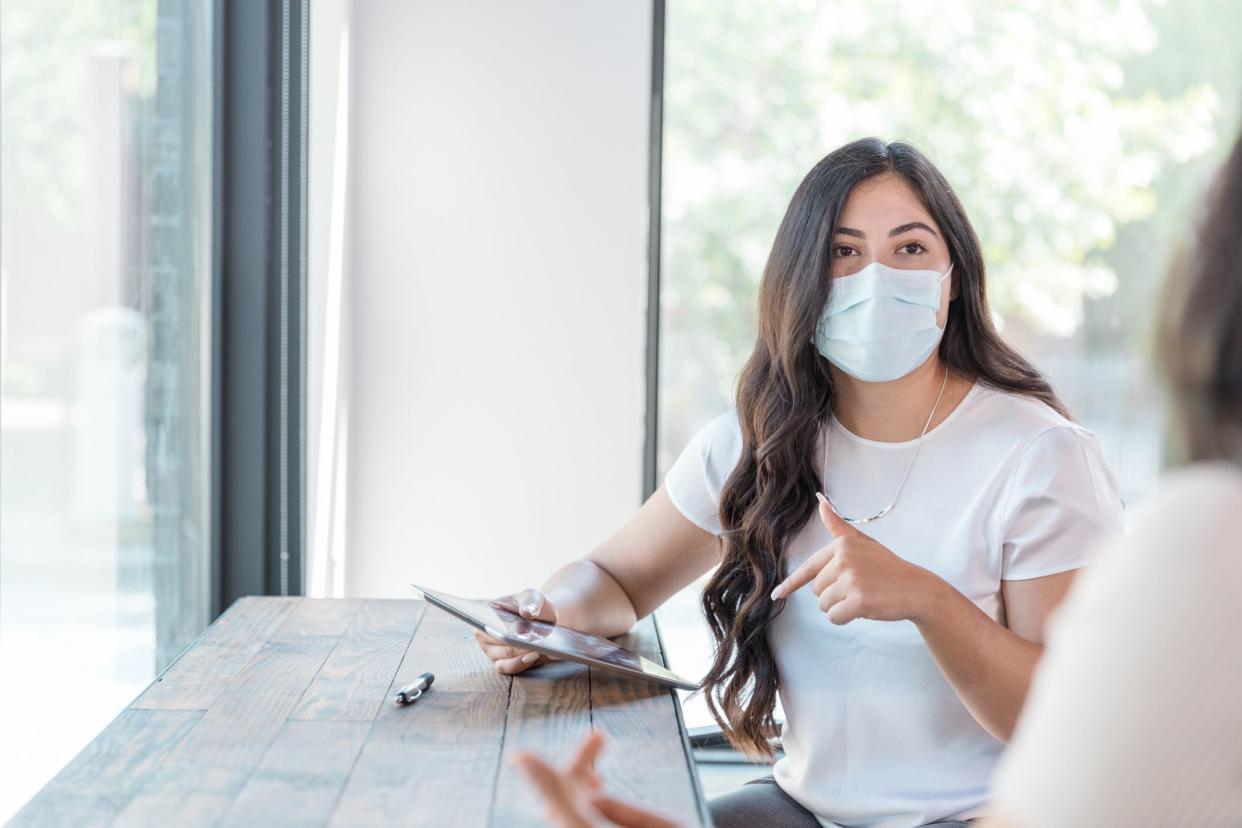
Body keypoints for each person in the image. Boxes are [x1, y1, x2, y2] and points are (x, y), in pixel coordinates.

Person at [512, 129, 1242, 828]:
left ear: (953, 279)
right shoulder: (755, 440)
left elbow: (1068, 725)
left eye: (910, 248)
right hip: (799, 809)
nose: (877, 278)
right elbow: (616, 578)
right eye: (843, 251)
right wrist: (545, 616)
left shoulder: (1042, 456)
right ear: (801, 276)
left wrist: (927, 600)